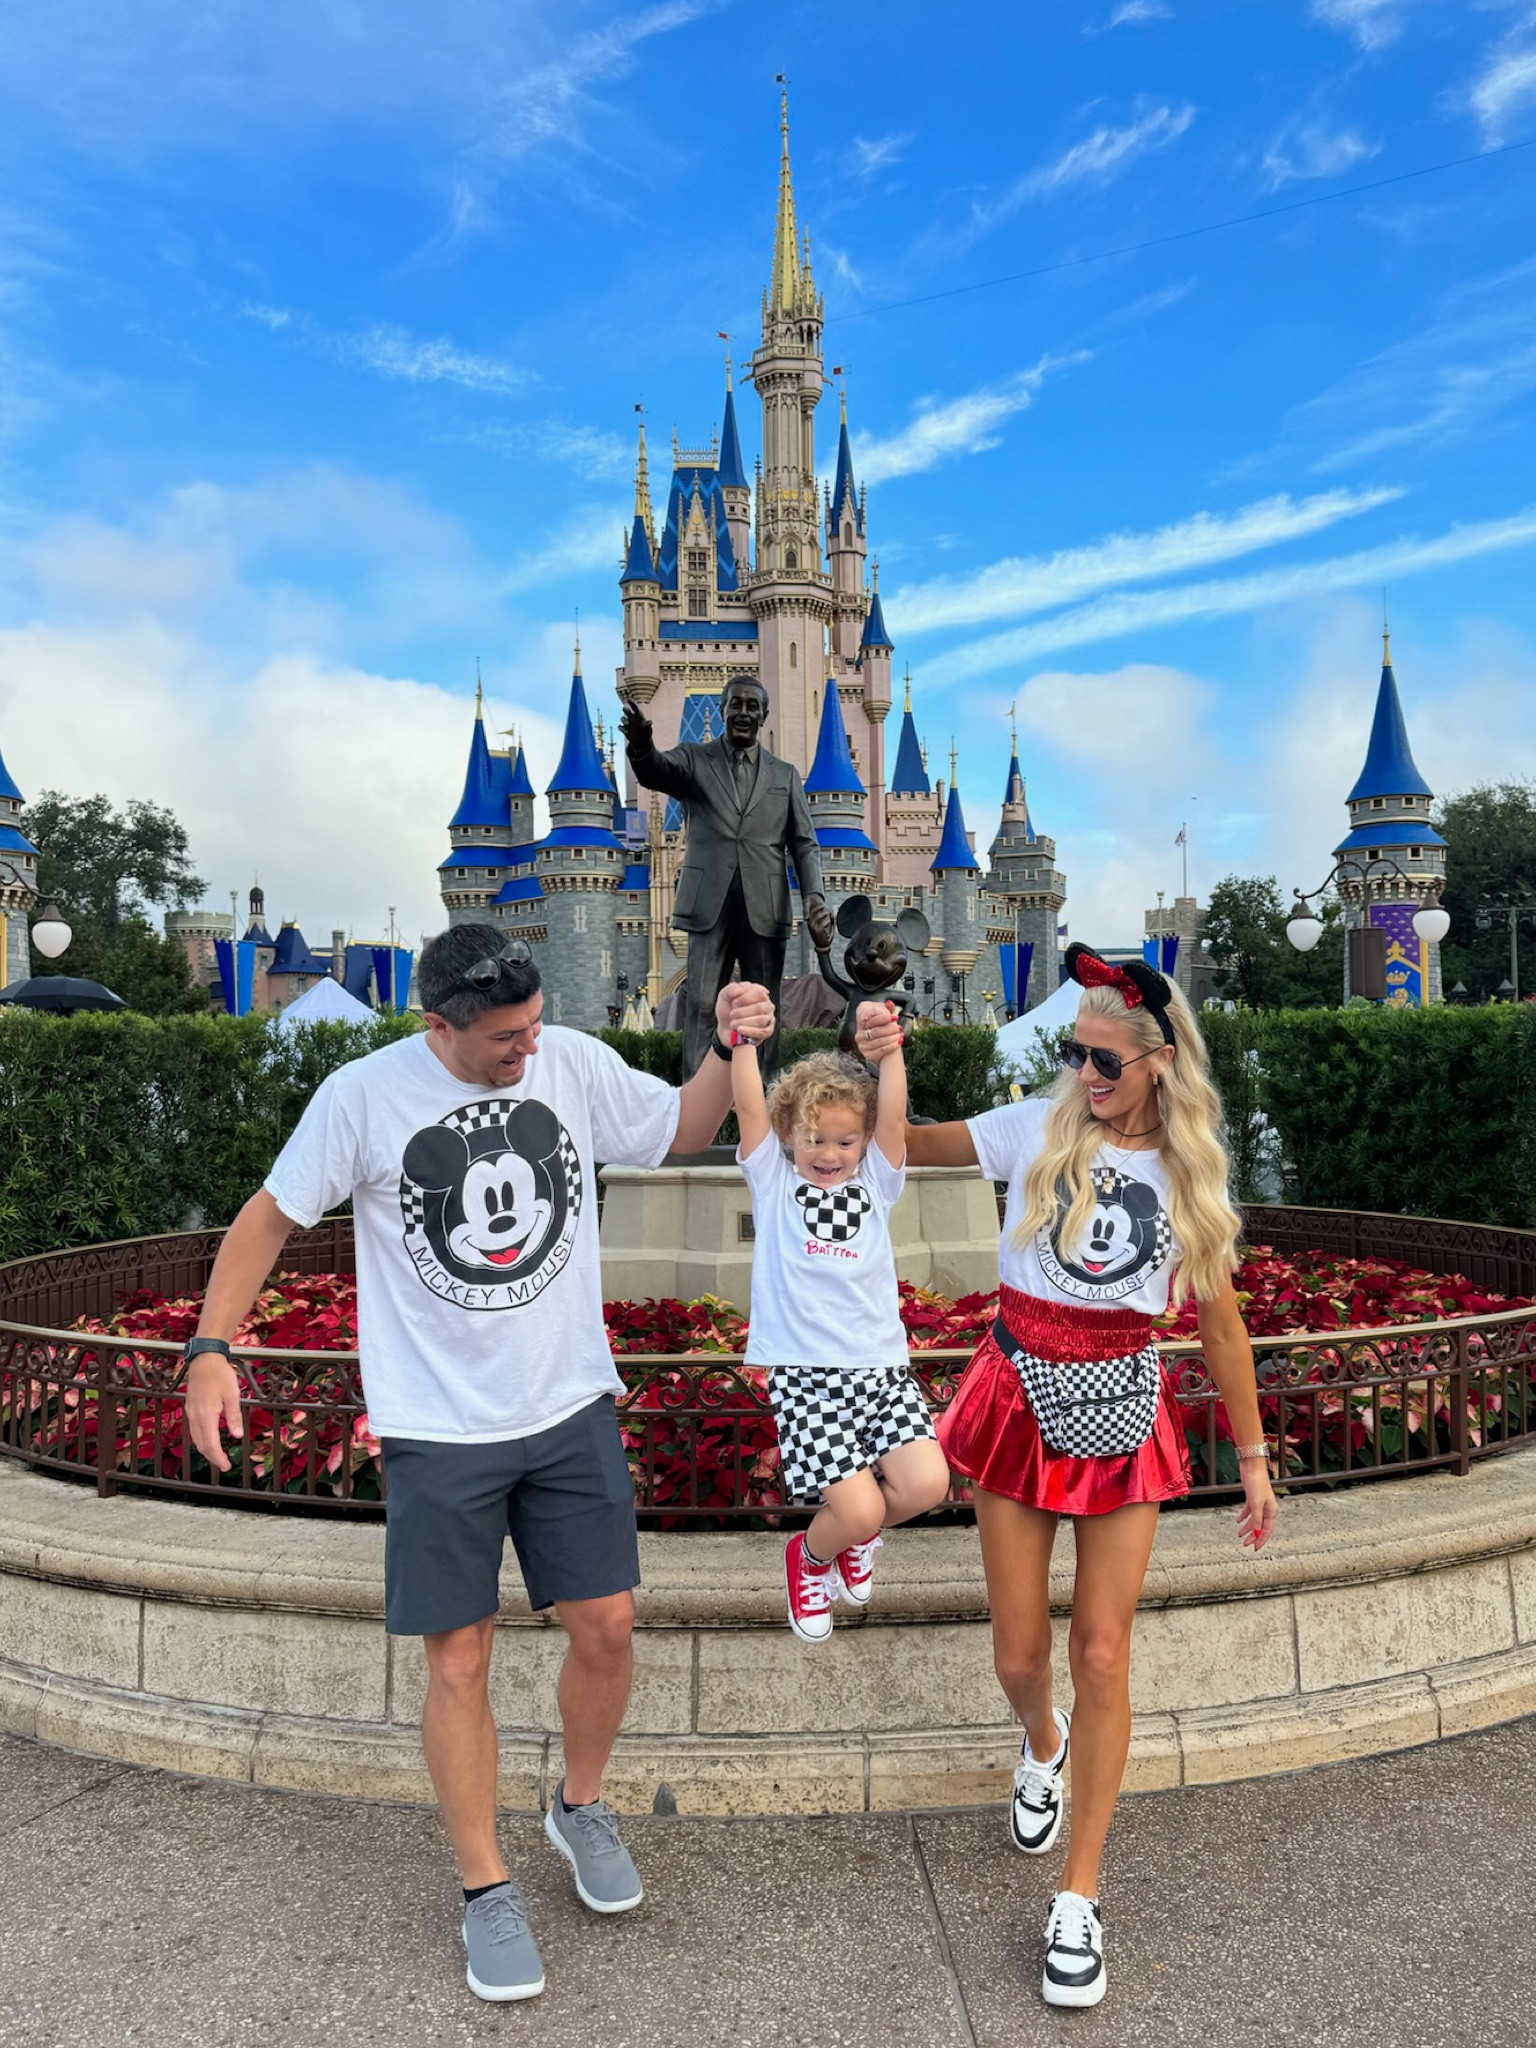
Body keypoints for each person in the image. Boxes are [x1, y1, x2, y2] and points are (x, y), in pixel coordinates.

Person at [184, 924, 773, 2004]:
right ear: (436, 1024)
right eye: (503, 1036)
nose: (526, 1046)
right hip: (440, 1424)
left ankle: (578, 1804)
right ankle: (484, 1885)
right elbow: (267, 1219)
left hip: (565, 1405)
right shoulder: (364, 1095)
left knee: (608, 1624)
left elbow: (684, 1124)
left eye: (533, 1023)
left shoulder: (570, 1058)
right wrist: (211, 1349)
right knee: (459, 1656)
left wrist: (730, 1046)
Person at [860, 946, 1278, 2012]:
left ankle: (1078, 1893)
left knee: (1100, 1648)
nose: (1085, 1071)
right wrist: (885, 1059)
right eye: (1074, 1051)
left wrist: (1257, 1457)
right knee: (1019, 1651)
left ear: (1157, 1060)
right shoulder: (1036, 1129)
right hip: (1016, 1388)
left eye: (1103, 1056)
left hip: (1122, 1398)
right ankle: (1039, 1744)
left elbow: (1220, 1323)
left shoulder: (1188, 1171)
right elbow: (902, 1145)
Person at [730, 1007, 951, 1642]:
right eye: (814, 1139)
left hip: (881, 1371)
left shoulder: (878, 1181)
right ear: (788, 1135)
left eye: (845, 1141)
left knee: (926, 1483)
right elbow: (748, 1109)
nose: (829, 1154)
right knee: (856, 1508)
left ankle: (856, 1540)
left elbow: (893, 1115)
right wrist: (744, 1043)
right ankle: (811, 1556)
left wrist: (890, 1056)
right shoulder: (772, 1180)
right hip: (809, 1378)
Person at [621, 672, 835, 1081]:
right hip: (709, 906)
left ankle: (770, 1100)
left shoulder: (785, 775)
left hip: (765, 905)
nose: (743, 712)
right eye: (735, 704)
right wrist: (641, 744)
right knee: (702, 1004)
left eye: (752, 706)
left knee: (763, 1009)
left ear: (765, 715)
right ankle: (699, 1109)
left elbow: (804, 843)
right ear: (721, 710)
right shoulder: (695, 760)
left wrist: (815, 896)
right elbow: (655, 771)